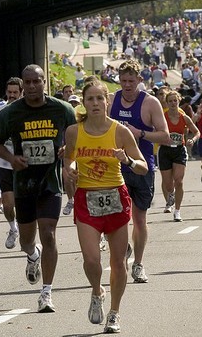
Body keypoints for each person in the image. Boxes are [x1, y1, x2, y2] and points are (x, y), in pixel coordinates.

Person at [0, 64, 76, 312]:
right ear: (23, 85)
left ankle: (46, 292)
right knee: (27, 240)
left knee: (48, 234)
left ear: (44, 82)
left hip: (50, 182)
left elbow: (77, 133)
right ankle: (32, 255)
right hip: (24, 185)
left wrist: (66, 150)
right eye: (27, 82)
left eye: (36, 81)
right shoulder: (10, 113)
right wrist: (11, 158)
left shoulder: (62, 110)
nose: (32, 86)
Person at [63, 77, 148, 333]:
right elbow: (69, 161)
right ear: (84, 103)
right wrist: (71, 170)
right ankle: (97, 290)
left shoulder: (119, 131)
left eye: (100, 98)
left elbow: (142, 167)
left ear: (107, 101)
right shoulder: (74, 131)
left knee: (118, 262)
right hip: (86, 199)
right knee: (91, 260)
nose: (96, 103)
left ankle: (114, 312)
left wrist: (128, 161)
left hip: (115, 198)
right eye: (90, 99)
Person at [108, 59, 169, 284]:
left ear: (139, 80)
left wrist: (140, 133)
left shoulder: (150, 103)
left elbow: (165, 135)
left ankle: (138, 264)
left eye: (131, 81)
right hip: (115, 166)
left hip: (142, 166)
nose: (127, 85)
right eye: (123, 81)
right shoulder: (111, 100)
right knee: (116, 218)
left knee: (139, 219)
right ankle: (123, 251)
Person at [0, 77, 23, 249]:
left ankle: (28, 234)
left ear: (21, 93)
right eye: (9, 92)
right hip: (4, 163)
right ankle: (13, 228)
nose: (12, 96)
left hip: (24, 164)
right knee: (8, 204)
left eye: (15, 93)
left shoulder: (29, 111)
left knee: (25, 203)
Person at [159, 91, 200, 221]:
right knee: (168, 185)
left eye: (175, 101)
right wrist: (162, 138)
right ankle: (170, 195)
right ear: (167, 102)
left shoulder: (184, 118)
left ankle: (177, 211)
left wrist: (192, 140)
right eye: (170, 101)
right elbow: (155, 131)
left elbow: (197, 132)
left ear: (179, 101)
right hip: (165, 151)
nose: (172, 103)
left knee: (179, 181)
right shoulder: (162, 117)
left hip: (179, 150)